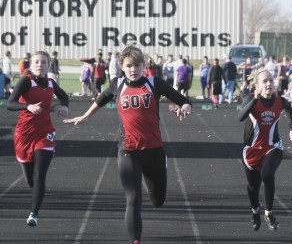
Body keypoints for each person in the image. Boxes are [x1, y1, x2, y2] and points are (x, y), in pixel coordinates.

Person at [63, 46, 192, 244]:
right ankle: (135, 241)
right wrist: (86, 116)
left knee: (158, 201)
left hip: (154, 150)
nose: (133, 69)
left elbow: (184, 100)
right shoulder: (117, 84)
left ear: (144, 65)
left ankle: (152, 179)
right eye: (129, 66)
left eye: (137, 65)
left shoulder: (154, 83)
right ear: (122, 67)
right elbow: (102, 98)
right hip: (128, 151)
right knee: (133, 199)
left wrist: (184, 109)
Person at [7, 51, 69, 227]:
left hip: (45, 132)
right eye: (36, 62)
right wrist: (27, 106)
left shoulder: (50, 83)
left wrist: (64, 107)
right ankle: (33, 187)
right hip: (24, 134)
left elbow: (64, 96)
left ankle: (34, 213)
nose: (40, 65)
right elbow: (10, 104)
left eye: (43, 62)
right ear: (31, 65)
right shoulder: (26, 81)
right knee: (30, 179)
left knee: (39, 174)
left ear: (48, 65)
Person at [238, 70, 292, 232]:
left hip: (273, 147)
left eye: (271, 80)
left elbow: (288, 109)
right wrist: (254, 99)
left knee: (267, 174)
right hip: (251, 151)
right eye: (265, 81)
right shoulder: (251, 98)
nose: (269, 84)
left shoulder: (280, 101)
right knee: (253, 186)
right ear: (257, 85)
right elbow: (241, 117)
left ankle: (269, 213)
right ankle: (255, 211)